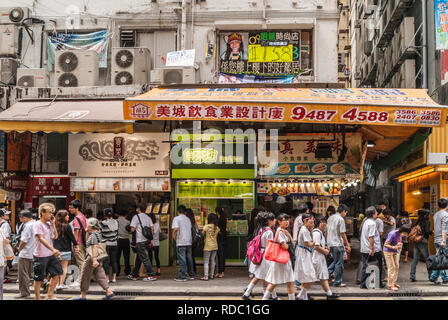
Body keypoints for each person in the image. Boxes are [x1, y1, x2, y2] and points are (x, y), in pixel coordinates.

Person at [73, 218, 115, 300]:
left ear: (91, 226)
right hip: (98, 257)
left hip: (91, 257)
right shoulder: (98, 233)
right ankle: (109, 291)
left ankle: (83, 295)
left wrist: (94, 260)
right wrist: (86, 231)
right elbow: (87, 242)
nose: (86, 225)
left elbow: (95, 247)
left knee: (85, 275)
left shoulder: (93, 235)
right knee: (100, 274)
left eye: (87, 224)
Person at [242, 211, 277, 300]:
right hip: (266, 255)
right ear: (269, 221)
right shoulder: (269, 231)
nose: (275, 221)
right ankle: (272, 296)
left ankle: (249, 293)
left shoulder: (261, 229)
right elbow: (270, 245)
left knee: (261, 275)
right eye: (274, 219)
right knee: (267, 276)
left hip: (260, 254)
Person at [32, 203, 63, 300]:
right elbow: (41, 239)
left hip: (50, 255)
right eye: (49, 213)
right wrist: (53, 249)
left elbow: (55, 236)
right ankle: (38, 298)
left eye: (52, 213)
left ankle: (50, 295)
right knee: (39, 278)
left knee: (57, 273)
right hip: (40, 255)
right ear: (42, 213)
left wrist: (53, 224)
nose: (51, 215)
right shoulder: (38, 224)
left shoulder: (49, 224)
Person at [263, 213, 296, 300]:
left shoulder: (284, 231)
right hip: (281, 260)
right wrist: (290, 245)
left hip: (283, 260)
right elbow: (285, 246)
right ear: (279, 222)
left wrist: (289, 235)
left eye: (288, 220)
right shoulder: (280, 232)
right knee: (275, 282)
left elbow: (292, 244)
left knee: (287, 281)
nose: (287, 222)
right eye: (285, 220)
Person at [312, 217, 340, 300]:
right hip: (317, 258)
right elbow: (316, 246)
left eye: (325, 222)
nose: (324, 224)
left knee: (323, 276)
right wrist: (325, 251)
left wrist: (326, 248)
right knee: (310, 278)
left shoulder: (320, 232)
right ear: (318, 223)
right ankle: (302, 294)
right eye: (322, 222)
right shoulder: (317, 233)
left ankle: (329, 294)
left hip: (320, 258)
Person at [359, 206, 385, 289]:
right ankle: (378, 283)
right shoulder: (372, 223)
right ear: (373, 214)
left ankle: (363, 284)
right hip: (373, 249)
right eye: (376, 212)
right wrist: (372, 248)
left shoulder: (366, 221)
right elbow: (371, 237)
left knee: (365, 266)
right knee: (378, 266)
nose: (377, 214)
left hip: (364, 248)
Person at [128, 204, 156, 281]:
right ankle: (134, 275)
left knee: (145, 258)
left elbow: (132, 229)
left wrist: (129, 229)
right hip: (146, 240)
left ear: (138, 209)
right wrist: (150, 240)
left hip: (139, 240)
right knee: (139, 258)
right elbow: (152, 229)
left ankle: (152, 275)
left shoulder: (136, 217)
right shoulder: (148, 217)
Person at [327, 204, 351, 287]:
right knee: (338, 263)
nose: (345, 214)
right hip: (337, 243)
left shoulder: (330, 218)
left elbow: (327, 230)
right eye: (346, 213)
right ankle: (337, 282)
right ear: (343, 211)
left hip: (331, 243)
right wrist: (347, 244)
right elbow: (343, 233)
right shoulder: (340, 219)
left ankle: (325, 274)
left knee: (335, 261)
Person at [53, 210, 78, 290]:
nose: (68, 217)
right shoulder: (67, 226)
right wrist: (75, 245)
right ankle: (60, 284)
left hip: (55, 250)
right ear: (63, 217)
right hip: (65, 249)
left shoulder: (54, 226)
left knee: (57, 267)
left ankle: (56, 284)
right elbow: (72, 237)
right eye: (67, 216)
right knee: (64, 267)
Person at [294, 214, 317, 300]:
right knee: (310, 277)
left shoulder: (306, 229)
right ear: (305, 221)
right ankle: (300, 296)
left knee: (306, 277)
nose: (312, 224)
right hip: (304, 254)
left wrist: (311, 230)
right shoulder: (304, 230)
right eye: (311, 222)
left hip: (304, 254)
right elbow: (309, 243)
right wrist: (314, 243)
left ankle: (302, 297)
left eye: (313, 222)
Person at [15, 210, 36, 299]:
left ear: (24, 218)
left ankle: (24, 292)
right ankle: (44, 284)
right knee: (32, 273)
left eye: (21, 218)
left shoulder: (28, 226)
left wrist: (19, 249)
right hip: (34, 253)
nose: (20, 220)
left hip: (25, 253)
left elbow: (24, 240)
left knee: (23, 275)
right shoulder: (36, 223)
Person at [383, 225, 411, 291]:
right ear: (403, 231)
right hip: (388, 251)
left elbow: (399, 242)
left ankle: (393, 282)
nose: (406, 235)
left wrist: (399, 246)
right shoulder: (392, 234)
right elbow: (385, 244)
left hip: (395, 251)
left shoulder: (400, 234)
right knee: (391, 267)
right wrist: (394, 247)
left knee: (396, 266)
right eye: (406, 233)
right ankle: (390, 285)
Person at [172, 205, 194, 282]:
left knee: (182, 259)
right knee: (189, 259)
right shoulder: (188, 219)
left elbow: (176, 228)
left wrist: (173, 236)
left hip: (181, 241)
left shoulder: (176, 218)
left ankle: (182, 276)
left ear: (178, 211)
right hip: (189, 241)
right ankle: (191, 275)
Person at [410, 209, 432, 282]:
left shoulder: (418, 222)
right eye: (428, 214)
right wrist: (431, 232)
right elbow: (427, 231)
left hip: (416, 241)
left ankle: (412, 275)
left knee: (415, 259)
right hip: (423, 241)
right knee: (428, 259)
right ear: (426, 215)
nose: (429, 216)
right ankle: (431, 276)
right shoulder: (427, 222)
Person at [68, 199, 87, 288]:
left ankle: (80, 280)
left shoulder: (77, 219)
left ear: (77, 208)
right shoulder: (82, 216)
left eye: (72, 208)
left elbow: (76, 233)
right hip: (82, 242)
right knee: (81, 262)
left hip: (78, 243)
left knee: (81, 262)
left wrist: (74, 244)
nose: (70, 210)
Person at [430, 199, 448, 284]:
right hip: (442, 240)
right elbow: (444, 229)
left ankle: (434, 277)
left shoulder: (435, 214)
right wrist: (444, 241)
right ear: (447, 205)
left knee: (440, 259)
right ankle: (440, 277)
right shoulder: (445, 215)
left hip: (436, 239)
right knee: (443, 259)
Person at [101, 208, 119, 283]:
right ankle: (114, 278)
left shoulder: (103, 223)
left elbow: (100, 233)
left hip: (106, 244)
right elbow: (117, 232)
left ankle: (107, 278)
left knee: (106, 261)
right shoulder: (116, 222)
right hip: (114, 243)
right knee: (114, 261)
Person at [201, 213, 220, 281]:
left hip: (207, 246)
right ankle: (211, 275)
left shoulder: (206, 226)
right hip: (215, 245)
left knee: (206, 261)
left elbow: (202, 234)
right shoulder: (217, 227)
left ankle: (206, 276)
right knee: (212, 260)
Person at [116, 209, 131, 277]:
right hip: (125, 240)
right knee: (126, 257)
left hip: (118, 240)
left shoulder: (116, 221)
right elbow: (130, 231)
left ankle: (117, 271)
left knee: (117, 257)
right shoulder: (128, 222)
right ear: (126, 215)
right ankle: (127, 271)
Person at [186, 208, 198, 275]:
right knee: (192, 256)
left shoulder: (187, 222)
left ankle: (190, 271)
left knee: (188, 257)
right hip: (194, 241)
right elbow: (197, 230)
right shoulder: (194, 222)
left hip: (188, 241)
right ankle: (194, 271)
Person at [216, 207, 227, 278]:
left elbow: (219, 231)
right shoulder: (224, 219)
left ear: (217, 212)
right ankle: (221, 271)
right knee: (222, 256)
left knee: (220, 256)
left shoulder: (219, 220)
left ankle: (221, 272)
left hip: (220, 239)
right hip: (224, 239)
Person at [0, 228, 8, 300]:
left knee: (0, 284)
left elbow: (4, 246)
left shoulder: (1, 231)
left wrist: (6, 242)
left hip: (0, 261)